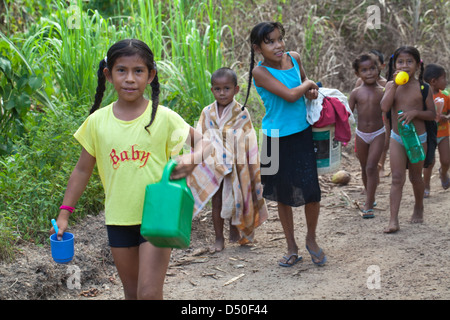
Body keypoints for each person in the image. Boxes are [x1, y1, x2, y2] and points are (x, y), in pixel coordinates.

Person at [50, 39, 211, 300]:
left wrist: (193, 159)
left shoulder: (163, 117)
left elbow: (205, 143)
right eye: (121, 70)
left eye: (138, 71)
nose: (129, 79)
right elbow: (81, 171)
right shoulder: (97, 122)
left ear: (151, 76)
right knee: (132, 293)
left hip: (159, 216)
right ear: (108, 75)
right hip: (118, 218)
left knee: (148, 293)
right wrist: (64, 214)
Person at [243, 21, 326, 267]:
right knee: (282, 195)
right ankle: (291, 246)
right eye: (270, 42)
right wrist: (307, 87)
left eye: (280, 39)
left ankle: (311, 238)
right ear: (257, 48)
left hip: (301, 132)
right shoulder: (259, 72)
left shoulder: (294, 58)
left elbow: (302, 83)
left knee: (312, 192)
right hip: (272, 139)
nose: (278, 46)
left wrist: (309, 89)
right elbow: (291, 95)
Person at [189, 67, 268, 253]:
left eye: (227, 88)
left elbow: (248, 140)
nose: (222, 93)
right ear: (212, 90)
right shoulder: (207, 112)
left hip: (236, 164)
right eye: (217, 89)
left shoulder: (241, 112)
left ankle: (235, 229)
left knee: (236, 198)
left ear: (236, 89)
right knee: (216, 202)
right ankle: (219, 238)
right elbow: (200, 137)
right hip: (213, 165)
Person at [380, 46, 436, 233]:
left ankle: (418, 206)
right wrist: (394, 85)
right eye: (401, 62)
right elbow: (384, 107)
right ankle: (393, 220)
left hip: (418, 139)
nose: (405, 65)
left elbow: (431, 114)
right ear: (395, 65)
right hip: (398, 138)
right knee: (397, 178)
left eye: (409, 62)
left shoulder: (423, 88)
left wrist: (415, 113)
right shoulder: (390, 85)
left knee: (415, 177)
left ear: (418, 66)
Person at [349, 53, 385, 217]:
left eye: (372, 68)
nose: (369, 73)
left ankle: (368, 204)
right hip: (361, 134)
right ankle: (370, 194)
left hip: (379, 133)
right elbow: (347, 114)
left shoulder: (383, 91)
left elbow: (391, 111)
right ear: (358, 74)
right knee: (364, 167)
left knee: (371, 166)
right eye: (364, 70)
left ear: (378, 69)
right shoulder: (356, 93)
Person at [423, 64, 450, 197]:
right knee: (429, 162)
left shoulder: (446, 96)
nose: (446, 81)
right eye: (444, 78)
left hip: (444, 133)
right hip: (429, 135)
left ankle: (443, 173)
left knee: (446, 160)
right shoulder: (423, 96)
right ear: (433, 81)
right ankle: (426, 184)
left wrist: (447, 117)